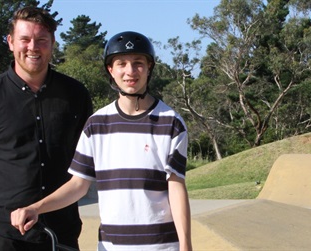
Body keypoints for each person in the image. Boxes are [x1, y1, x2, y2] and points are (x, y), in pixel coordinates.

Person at [11, 31, 193, 251]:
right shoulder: (96, 125)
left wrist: (186, 245)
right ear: (111, 70)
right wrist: (36, 208)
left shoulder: (171, 123)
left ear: (149, 68)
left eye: (138, 63)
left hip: (162, 247)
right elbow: (78, 186)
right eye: (121, 64)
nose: (130, 71)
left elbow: (176, 187)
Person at [0, 6, 93, 251]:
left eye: (41, 40)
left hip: (61, 229)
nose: (32, 47)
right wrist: (1, 190)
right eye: (25, 39)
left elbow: (86, 155)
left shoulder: (76, 95)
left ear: (52, 43)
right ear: (10, 42)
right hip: (4, 233)